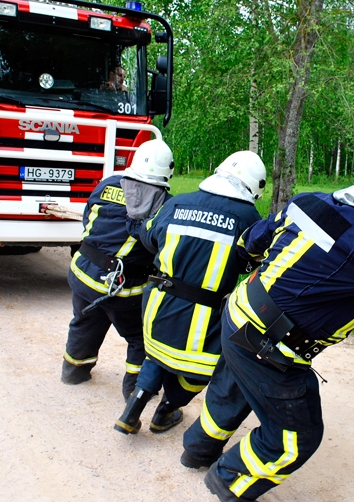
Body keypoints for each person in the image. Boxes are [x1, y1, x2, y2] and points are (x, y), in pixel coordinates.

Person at [181, 160, 354, 502]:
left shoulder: (307, 202)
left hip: (239, 318)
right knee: (296, 437)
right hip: (273, 349)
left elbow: (253, 240)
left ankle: (197, 449)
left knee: (234, 388)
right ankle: (230, 480)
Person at [113, 151, 266, 435]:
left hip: (158, 303)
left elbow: (148, 237)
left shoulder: (179, 202)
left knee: (156, 356)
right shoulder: (248, 217)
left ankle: (131, 411)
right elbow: (250, 261)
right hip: (202, 315)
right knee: (201, 369)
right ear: (253, 186)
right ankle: (166, 410)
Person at [61, 139, 174, 402]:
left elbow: (88, 215)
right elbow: (160, 243)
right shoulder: (164, 203)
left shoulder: (108, 183)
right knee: (139, 337)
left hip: (82, 272)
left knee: (85, 321)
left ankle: (73, 372)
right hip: (123, 286)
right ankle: (133, 391)